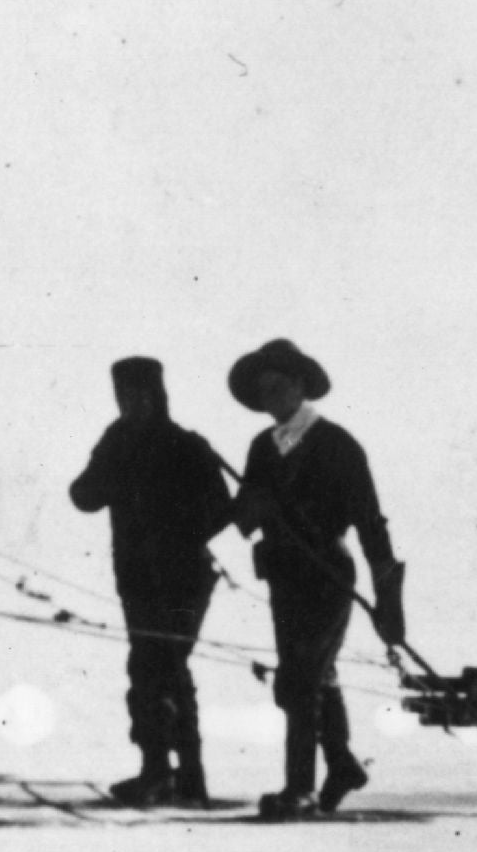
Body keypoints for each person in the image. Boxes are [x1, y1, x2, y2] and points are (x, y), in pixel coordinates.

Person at [226, 338, 405, 820]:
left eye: (279, 387)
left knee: (300, 680)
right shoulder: (262, 447)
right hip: (284, 578)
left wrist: (387, 595)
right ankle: (342, 765)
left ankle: (299, 789)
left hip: (327, 576)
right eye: (262, 392)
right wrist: (251, 504)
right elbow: (243, 518)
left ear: (302, 386)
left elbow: (370, 522)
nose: (271, 400)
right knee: (313, 677)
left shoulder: (337, 445)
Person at [69, 356, 232, 806]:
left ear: (158, 395)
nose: (131, 404)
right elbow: (83, 495)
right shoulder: (116, 440)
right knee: (152, 668)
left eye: (140, 395)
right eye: (124, 397)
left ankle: (180, 775)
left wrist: (178, 531)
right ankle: (164, 772)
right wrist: (108, 477)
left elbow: (222, 508)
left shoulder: (187, 445)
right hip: (137, 577)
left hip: (184, 579)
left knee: (165, 668)